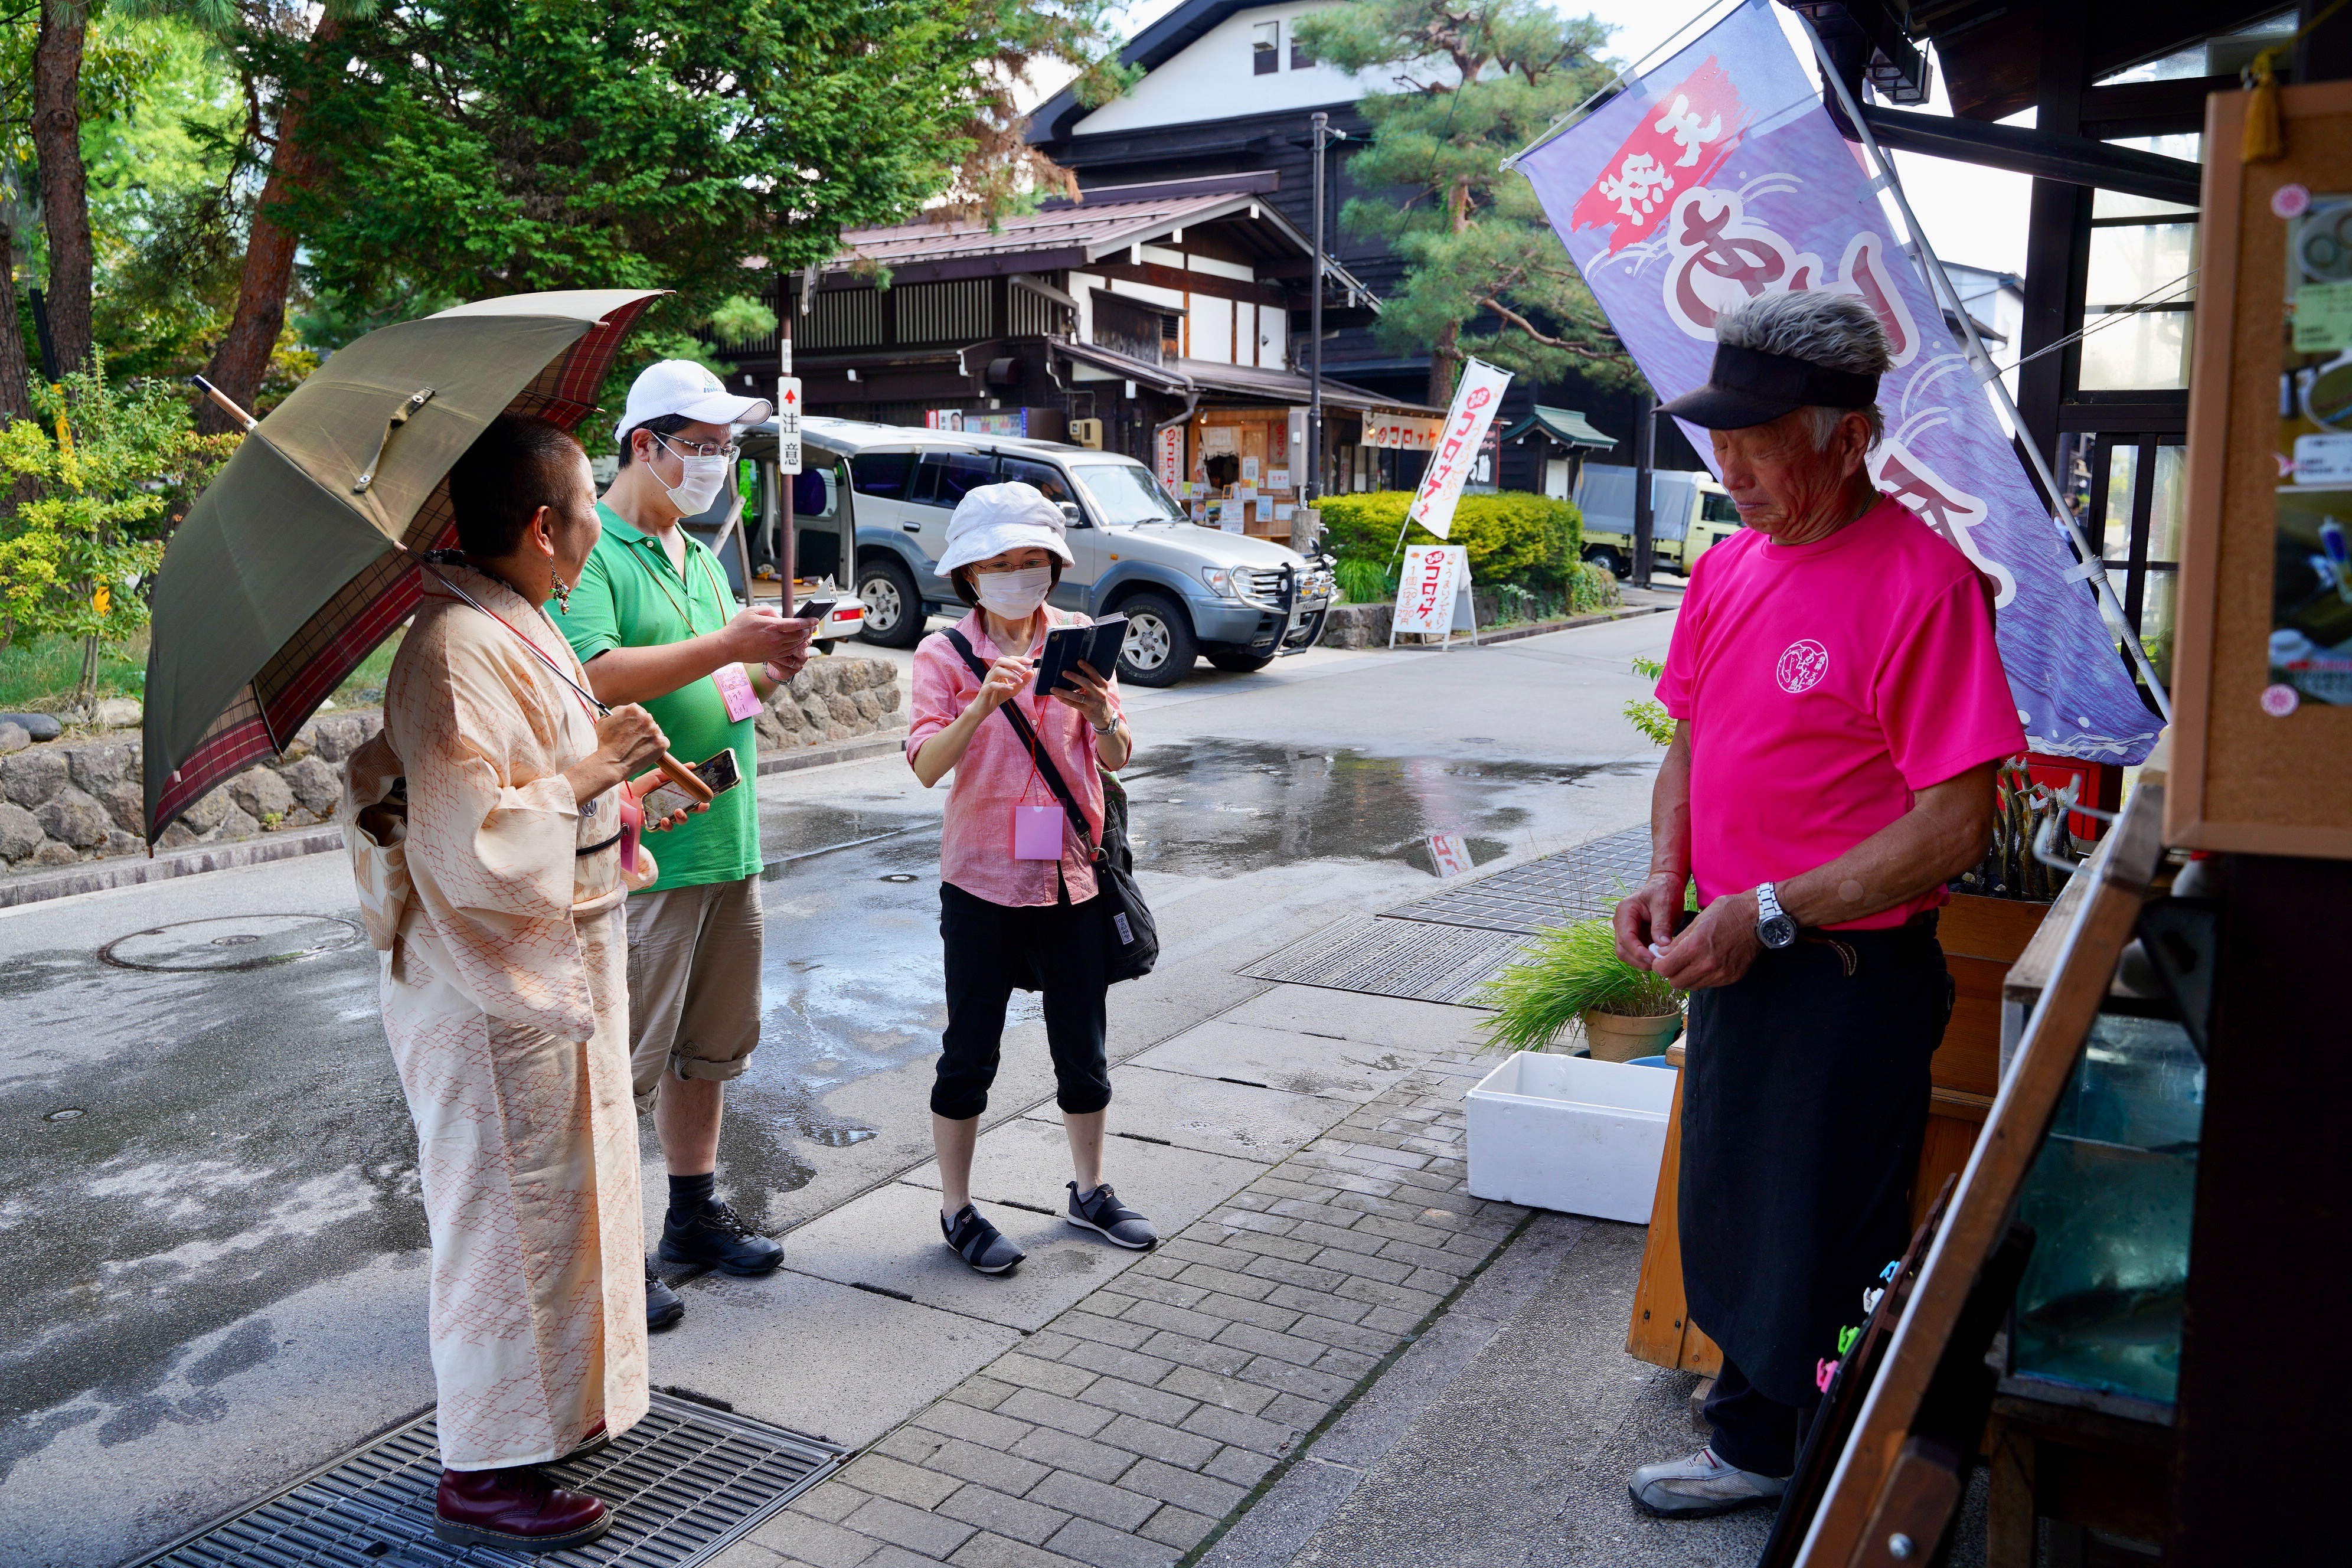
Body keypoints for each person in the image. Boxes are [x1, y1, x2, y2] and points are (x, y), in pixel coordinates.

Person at [1615, 292, 2026, 1517]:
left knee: (1827, 1220)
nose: (1729, 466)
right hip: (1743, 946)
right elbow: (1693, 735)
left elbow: (1957, 821)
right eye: (1720, 437)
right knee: (1737, 1195)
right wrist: (1662, 874)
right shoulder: (1734, 562)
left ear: (1848, 437)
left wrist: (1773, 909)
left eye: (1759, 439)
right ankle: (1757, 1420)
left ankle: (1812, 1460)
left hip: (1847, 972)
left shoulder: (1923, 583)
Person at [341, 414, 692, 1551]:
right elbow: (469, 842)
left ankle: (550, 1416)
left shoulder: (514, 621)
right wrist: (594, 769)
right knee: (502, 1217)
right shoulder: (454, 647)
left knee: (561, 1202)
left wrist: (623, 782)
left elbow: (549, 779)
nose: (600, 517)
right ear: (546, 528)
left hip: (547, 959)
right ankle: (483, 1466)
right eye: (590, 500)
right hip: (486, 984)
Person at [557, 360, 812, 1331]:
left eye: (725, 448)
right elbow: (595, 674)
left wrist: (769, 671)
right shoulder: (601, 550)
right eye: (699, 447)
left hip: (728, 839)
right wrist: (727, 649)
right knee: (628, 1061)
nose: (716, 464)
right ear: (643, 447)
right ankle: (614, 1250)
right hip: (650, 846)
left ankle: (692, 1216)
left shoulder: (699, 555)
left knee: (708, 1052)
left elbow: (728, 696)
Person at [906, 483, 1155, 1275]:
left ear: (1054, 565)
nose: (1018, 574)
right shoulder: (942, 655)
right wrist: (979, 706)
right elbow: (923, 765)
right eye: (1001, 561)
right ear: (970, 572)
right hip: (981, 880)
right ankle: (957, 1208)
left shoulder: (1082, 636)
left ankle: (1090, 1191)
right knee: (969, 1052)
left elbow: (1117, 757)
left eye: (1032, 560)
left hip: (1071, 876)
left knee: (1084, 1050)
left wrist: (1103, 715)